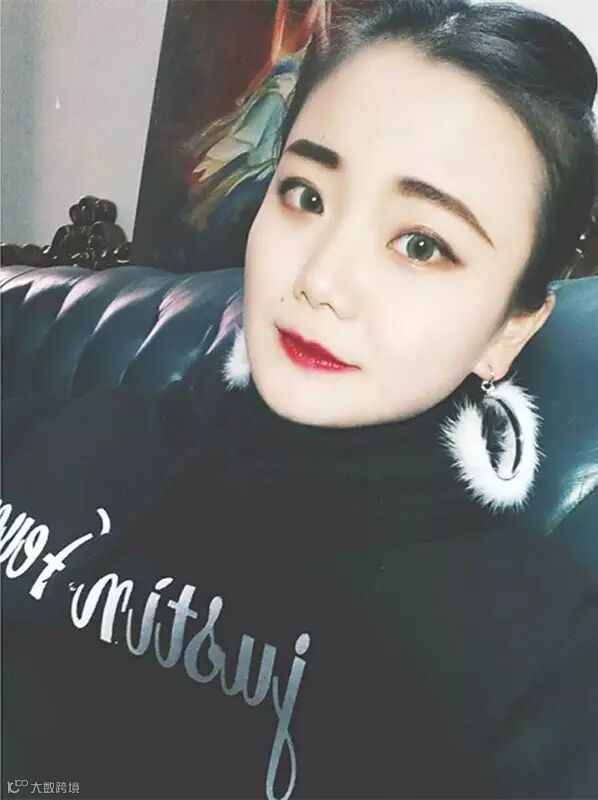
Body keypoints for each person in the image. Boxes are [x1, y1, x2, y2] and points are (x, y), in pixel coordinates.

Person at [2, 0, 598, 798]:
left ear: (509, 330)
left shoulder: (534, 662)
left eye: (421, 244)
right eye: (307, 196)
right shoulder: (75, 432)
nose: (319, 279)